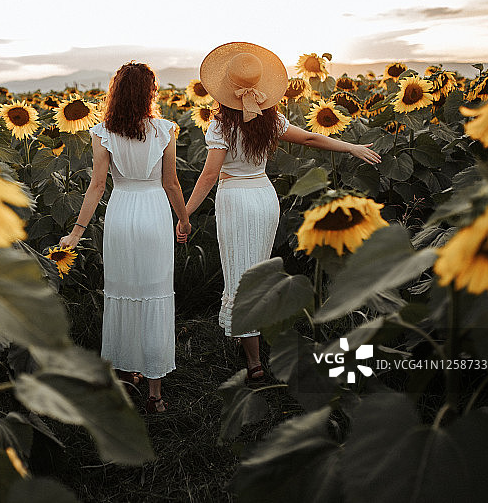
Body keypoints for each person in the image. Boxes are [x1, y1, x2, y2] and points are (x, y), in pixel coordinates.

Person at [180, 42, 380, 380]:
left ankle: (255, 363)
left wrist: (184, 215)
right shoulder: (271, 121)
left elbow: (210, 175)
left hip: (237, 202)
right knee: (259, 272)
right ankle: (262, 338)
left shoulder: (221, 127)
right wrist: (351, 146)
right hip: (264, 198)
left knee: (241, 277)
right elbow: (312, 140)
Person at [60, 62, 191, 413]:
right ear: (151, 91)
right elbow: (171, 183)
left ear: (116, 92)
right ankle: (155, 393)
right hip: (154, 213)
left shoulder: (102, 132)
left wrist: (76, 232)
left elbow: (98, 186)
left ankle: (125, 375)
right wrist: (183, 219)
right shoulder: (165, 130)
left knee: (122, 292)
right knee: (154, 294)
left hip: (120, 214)